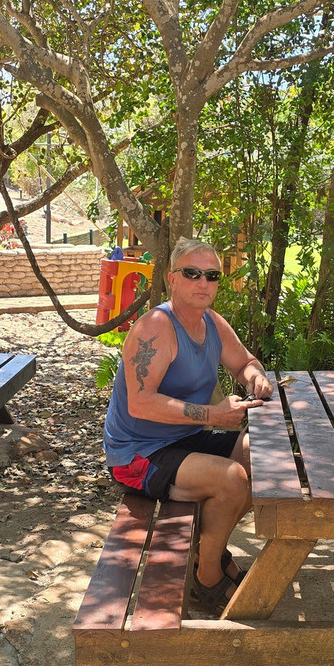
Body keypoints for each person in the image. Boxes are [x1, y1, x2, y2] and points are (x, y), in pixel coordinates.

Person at [103, 237, 274, 614]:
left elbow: (245, 361)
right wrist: (214, 415)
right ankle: (207, 578)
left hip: (184, 440)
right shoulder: (156, 327)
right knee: (231, 479)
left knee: (257, 457)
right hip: (136, 453)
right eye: (192, 273)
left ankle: (206, 551)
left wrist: (254, 378)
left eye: (211, 275)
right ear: (172, 280)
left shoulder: (211, 323)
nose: (203, 282)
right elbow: (140, 402)